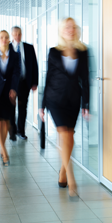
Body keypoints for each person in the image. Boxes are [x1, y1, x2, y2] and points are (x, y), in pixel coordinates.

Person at [39, 17, 89, 197]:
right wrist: (42, 105)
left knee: (70, 135)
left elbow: (85, 78)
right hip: (55, 99)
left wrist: (86, 104)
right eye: (67, 27)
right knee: (64, 134)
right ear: (61, 30)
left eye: (73, 27)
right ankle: (71, 179)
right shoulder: (53, 52)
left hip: (74, 100)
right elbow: (48, 78)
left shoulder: (82, 51)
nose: (70, 29)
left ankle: (62, 171)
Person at [0, 30, 21, 166]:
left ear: (9, 39)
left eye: (6, 37)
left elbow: (16, 74)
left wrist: (14, 89)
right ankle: (4, 151)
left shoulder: (15, 56)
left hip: (9, 94)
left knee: (7, 123)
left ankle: (2, 147)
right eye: (1, 37)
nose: (4, 39)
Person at [9, 26, 38, 141]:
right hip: (11, 85)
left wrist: (34, 82)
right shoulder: (7, 48)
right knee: (11, 108)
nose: (17, 36)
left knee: (22, 108)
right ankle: (12, 131)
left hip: (24, 82)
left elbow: (34, 66)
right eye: (15, 34)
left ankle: (21, 131)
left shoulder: (29, 47)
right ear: (12, 34)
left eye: (19, 34)